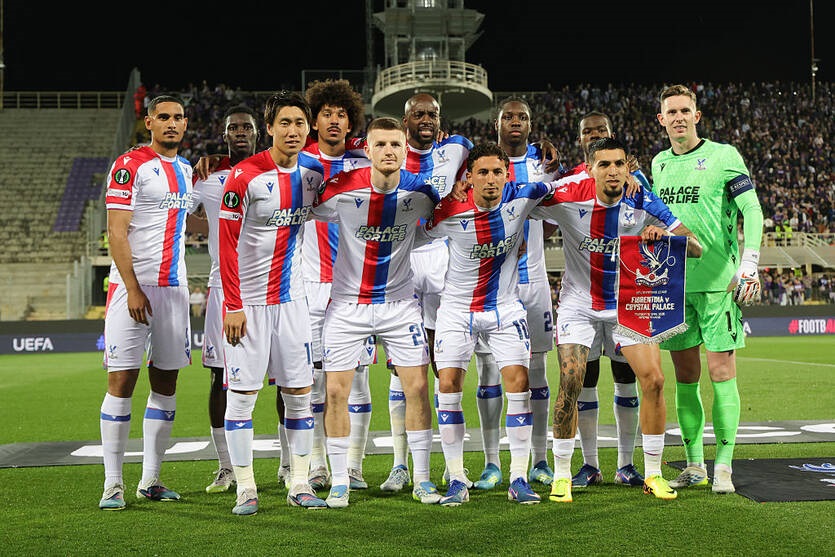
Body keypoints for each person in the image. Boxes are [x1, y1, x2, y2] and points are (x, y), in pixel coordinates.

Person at [530, 137, 703, 503]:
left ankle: (652, 473)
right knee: (571, 380)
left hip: (628, 303)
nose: (612, 171)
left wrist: (664, 236)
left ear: (628, 168)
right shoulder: (569, 194)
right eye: (604, 164)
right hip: (579, 304)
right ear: (590, 168)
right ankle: (562, 475)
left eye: (619, 164)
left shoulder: (642, 200)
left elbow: (696, 247)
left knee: (654, 380)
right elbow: (521, 203)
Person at [311, 116, 442, 508]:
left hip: (399, 305)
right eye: (380, 144)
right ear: (366, 150)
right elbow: (308, 212)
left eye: (395, 144)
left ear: (405, 150)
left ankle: (422, 479)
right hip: (347, 305)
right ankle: (340, 480)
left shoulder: (422, 192)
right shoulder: (340, 188)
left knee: (417, 388)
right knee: (336, 391)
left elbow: (438, 221)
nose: (388, 151)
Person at [425, 142, 556, 506]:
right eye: (482, 172)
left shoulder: (522, 197)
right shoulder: (450, 210)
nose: (490, 179)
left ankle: (518, 477)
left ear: (507, 174)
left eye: (497, 172)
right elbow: (421, 232)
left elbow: (567, 185)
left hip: (504, 309)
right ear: (469, 177)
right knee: (448, 385)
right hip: (456, 310)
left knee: (519, 383)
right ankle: (456, 478)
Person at [218, 91, 327, 515]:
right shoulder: (244, 176)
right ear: (269, 128)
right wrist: (232, 304)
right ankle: (246, 487)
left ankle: (299, 482)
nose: (293, 130)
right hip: (248, 304)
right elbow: (226, 246)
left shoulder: (314, 175)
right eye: (285, 122)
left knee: (299, 394)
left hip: (293, 302)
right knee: (242, 397)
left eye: (300, 123)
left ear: (308, 128)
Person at [653, 84, 764, 494]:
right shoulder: (659, 164)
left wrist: (750, 263)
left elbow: (752, 208)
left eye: (685, 110)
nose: (679, 117)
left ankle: (724, 466)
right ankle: (694, 463)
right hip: (674, 286)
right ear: (661, 120)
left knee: (721, 373)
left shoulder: (724, 156)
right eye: (671, 112)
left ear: (696, 116)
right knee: (685, 377)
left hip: (719, 286)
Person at [98, 94, 194, 511]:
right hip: (132, 289)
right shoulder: (129, 165)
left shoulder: (187, 170)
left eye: (178, 117)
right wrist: (133, 287)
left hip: (174, 290)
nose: (172, 123)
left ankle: (151, 479)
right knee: (121, 382)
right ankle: (113, 483)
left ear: (186, 124)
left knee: (166, 383)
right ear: (149, 122)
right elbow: (117, 232)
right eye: (164, 117)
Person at [469, 97, 557, 493]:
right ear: (497, 124)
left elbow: (556, 214)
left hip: (533, 281)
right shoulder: (482, 164)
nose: (516, 122)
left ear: (531, 124)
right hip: (492, 284)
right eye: (509, 117)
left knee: (535, 370)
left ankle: (539, 459)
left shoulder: (544, 163)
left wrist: (528, 235)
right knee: (488, 371)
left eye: (523, 117)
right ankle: (492, 463)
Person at [562, 111, 648, 489]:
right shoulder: (570, 181)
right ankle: (590, 464)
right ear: (580, 140)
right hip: (582, 300)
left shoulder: (635, 180)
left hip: (624, 300)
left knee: (626, 377)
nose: (593, 134)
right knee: (586, 378)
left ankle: (626, 464)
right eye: (587, 131)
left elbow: (652, 217)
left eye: (600, 130)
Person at [299, 79, 374, 492]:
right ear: (314, 121)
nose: (333, 120)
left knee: (357, 380)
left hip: (354, 289)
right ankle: (317, 465)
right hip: (310, 285)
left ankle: (354, 465)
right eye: (326, 113)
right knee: (313, 383)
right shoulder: (300, 161)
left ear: (350, 122)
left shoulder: (364, 160)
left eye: (341, 114)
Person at [190, 104, 260, 494]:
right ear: (224, 134)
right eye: (234, 128)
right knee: (220, 377)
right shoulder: (207, 177)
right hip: (222, 287)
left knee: (284, 380)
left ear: (257, 132)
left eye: (246, 127)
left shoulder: (276, 172)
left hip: (271, 287)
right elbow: (179, 208)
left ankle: (288, 466)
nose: (240, 132)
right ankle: (226, 467)